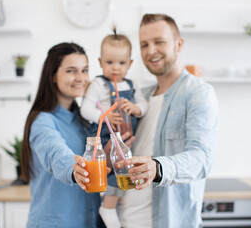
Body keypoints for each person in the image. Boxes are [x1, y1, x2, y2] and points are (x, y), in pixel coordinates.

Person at [116, 14, 219, 227]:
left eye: (159, 42)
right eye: (144, 44)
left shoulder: (198, 93)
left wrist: (158, 167)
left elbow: (202, 159)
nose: (150, 50)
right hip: (121, 221)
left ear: (178, 44)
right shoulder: (138, 97)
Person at [20, 42, 105, 228]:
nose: (81, 78)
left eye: (85, 70)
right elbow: (54, 150)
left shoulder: (83, 120)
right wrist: (73, 168)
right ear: (53, 76)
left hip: (90, 221)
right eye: (71, 71)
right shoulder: (42, 121)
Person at [80, 27, 148, 228]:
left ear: (130, 64)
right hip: (104, 137)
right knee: (111, 171)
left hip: (125, 138)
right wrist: (104, 115)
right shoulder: (98, 85)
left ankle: (111, 205)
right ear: (100, 63)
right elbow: (85, 109)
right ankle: (108, 207)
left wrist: (135, 108)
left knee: (123, 172)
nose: (115, 68)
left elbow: (145, 107)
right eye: (109, 63)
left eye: (121, 63)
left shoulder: (132, 85)